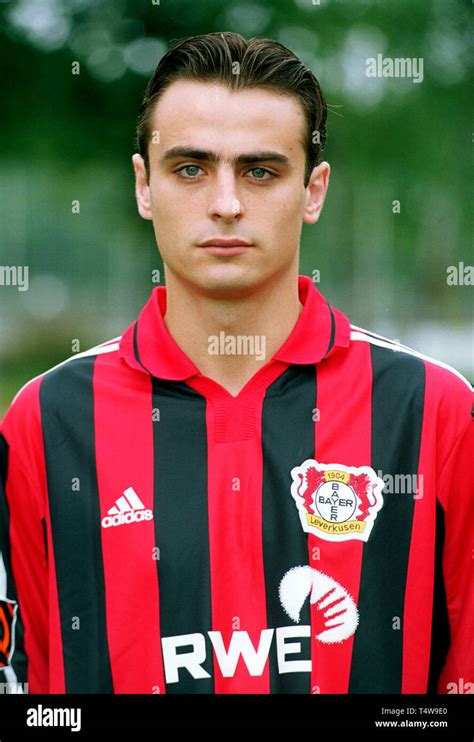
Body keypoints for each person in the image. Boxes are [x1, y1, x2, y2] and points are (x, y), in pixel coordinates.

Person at [0, 31, 472, 695]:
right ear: (144, 185)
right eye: (190, 168)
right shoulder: (47, 423)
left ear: (313, 191)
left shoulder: (435, 412)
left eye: (260, 171)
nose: (225, 203)